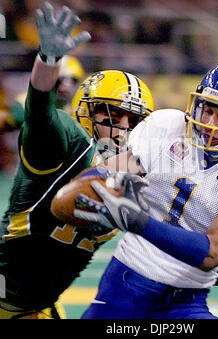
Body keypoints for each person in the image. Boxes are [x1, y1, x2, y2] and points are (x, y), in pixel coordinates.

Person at [73, 61, 218, 319]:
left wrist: (138, 220)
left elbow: (212, 252)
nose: (211, 124)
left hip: (188, 299)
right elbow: (106, 175)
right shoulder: (168, 128)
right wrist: (96, 184)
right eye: (207, 111)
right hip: (127, 284)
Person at [0, 2, 154, 319]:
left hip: (36, 305)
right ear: (87, 110)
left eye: (133, 118)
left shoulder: (136, 167)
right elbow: (40, 113)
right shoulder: (68, 141)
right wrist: (48, 61)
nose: (122, 125)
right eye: (111, 113)